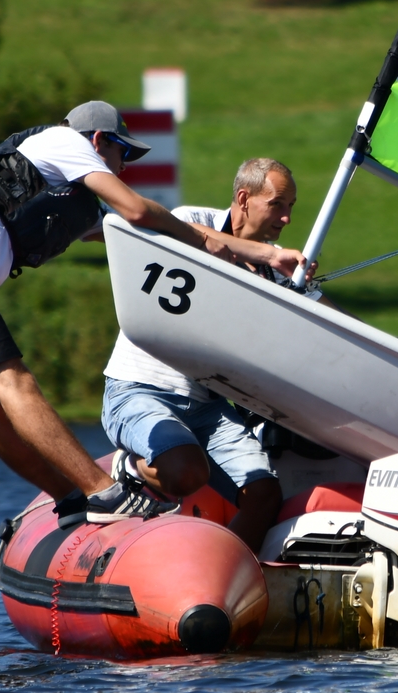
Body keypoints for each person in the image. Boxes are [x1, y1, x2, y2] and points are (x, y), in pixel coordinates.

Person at [0, 103, 306, 526]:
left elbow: (148, 231)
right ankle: (104, 491)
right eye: (123, 152)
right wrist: (211, 239)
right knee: (15, 382)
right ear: (99, 140)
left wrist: (270, 255)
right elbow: (139, 210)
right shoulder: (65, 142)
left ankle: (67, 496)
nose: (123, 168)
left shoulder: (62, 188)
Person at [101, 158, 318, 550]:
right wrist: (264, 256)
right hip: (140, 388)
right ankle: (130, 468)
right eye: (278, 205)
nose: (286, 218)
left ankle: (223, 568)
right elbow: (175, 228)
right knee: (187, 472)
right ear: (243, 199)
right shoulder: (189, 219)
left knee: (265, 495)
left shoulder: (276, 272)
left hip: (207, 406)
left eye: (291, 207)